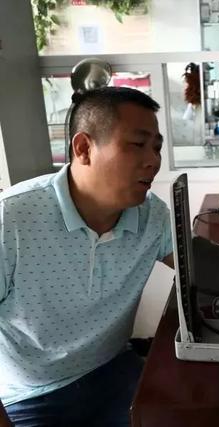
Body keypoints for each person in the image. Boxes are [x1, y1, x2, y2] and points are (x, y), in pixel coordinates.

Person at [0, 87, 174, 426]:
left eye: (156, 147)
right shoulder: (12, 221)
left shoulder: (152, 216)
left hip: (113, 370)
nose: (153, 160)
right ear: (83, 148)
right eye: (137, 144)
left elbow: (194, 262)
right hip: (31, 395)